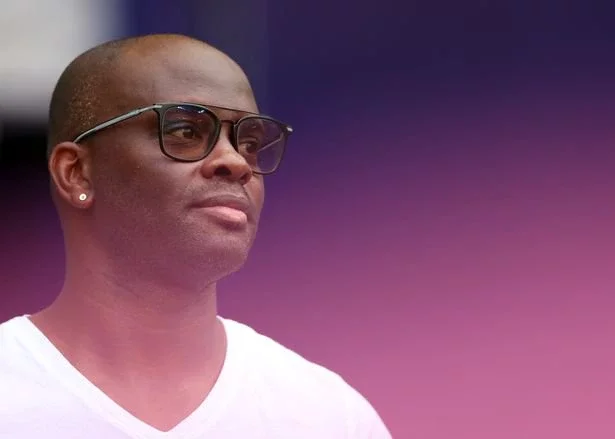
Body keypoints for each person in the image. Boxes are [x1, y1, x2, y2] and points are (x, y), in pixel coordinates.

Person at [0, 34, 392, 438]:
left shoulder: (329, 418)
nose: (236, 161)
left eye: (251, 142)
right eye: (186, 131)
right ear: (76, 172)